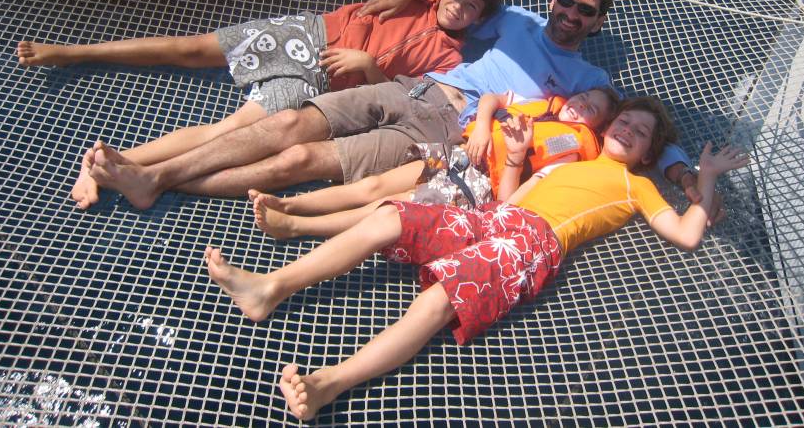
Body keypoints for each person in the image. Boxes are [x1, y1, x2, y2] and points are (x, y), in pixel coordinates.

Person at [203, 96, 749, 420]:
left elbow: (686, 235)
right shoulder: (565, 163)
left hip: (530, 244)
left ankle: (330, 384)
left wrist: (704, 179)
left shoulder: (636, 185)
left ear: (649, 153)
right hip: (496, 218)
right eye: (626, 123)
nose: (629, 131)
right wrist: (517, 154)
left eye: (641, 133)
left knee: (441, 299)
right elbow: (510, 197)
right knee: (390, 216)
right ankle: (271, 286)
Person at [25, 0, 504, 209]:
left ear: (479, 19)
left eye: (471, 7)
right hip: (309, 33)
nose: (458, 7)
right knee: (192, 49)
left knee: (231, 130)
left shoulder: (450, 59)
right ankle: (73, 52)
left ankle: (115, 164)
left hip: (325, 82)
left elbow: (398, 94)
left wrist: (366, 65)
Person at [83, 0, 700, 211]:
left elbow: (641, 128)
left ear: (598, 22)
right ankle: (152, 177)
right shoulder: (514, 21)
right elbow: (452, 4)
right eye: (565, 1)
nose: (569, 14)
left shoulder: (593, 82)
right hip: (414, 86)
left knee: (301, 161)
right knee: (289, 123)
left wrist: (683, 174)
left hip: (446, 133)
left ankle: (155, 180)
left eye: (584, 11)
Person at [249, 86, 620, 239]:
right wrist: (483, 126)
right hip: (461, 153)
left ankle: (297, 226)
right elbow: (491, 99)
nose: (581, 106)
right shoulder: (545, 103)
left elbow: (521, 195)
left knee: (388, 204)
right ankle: (291, 204)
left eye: (591, 110)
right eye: (584, 97)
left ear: (597, 127)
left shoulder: (573, 150)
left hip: (479, 185)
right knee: (374, 184)